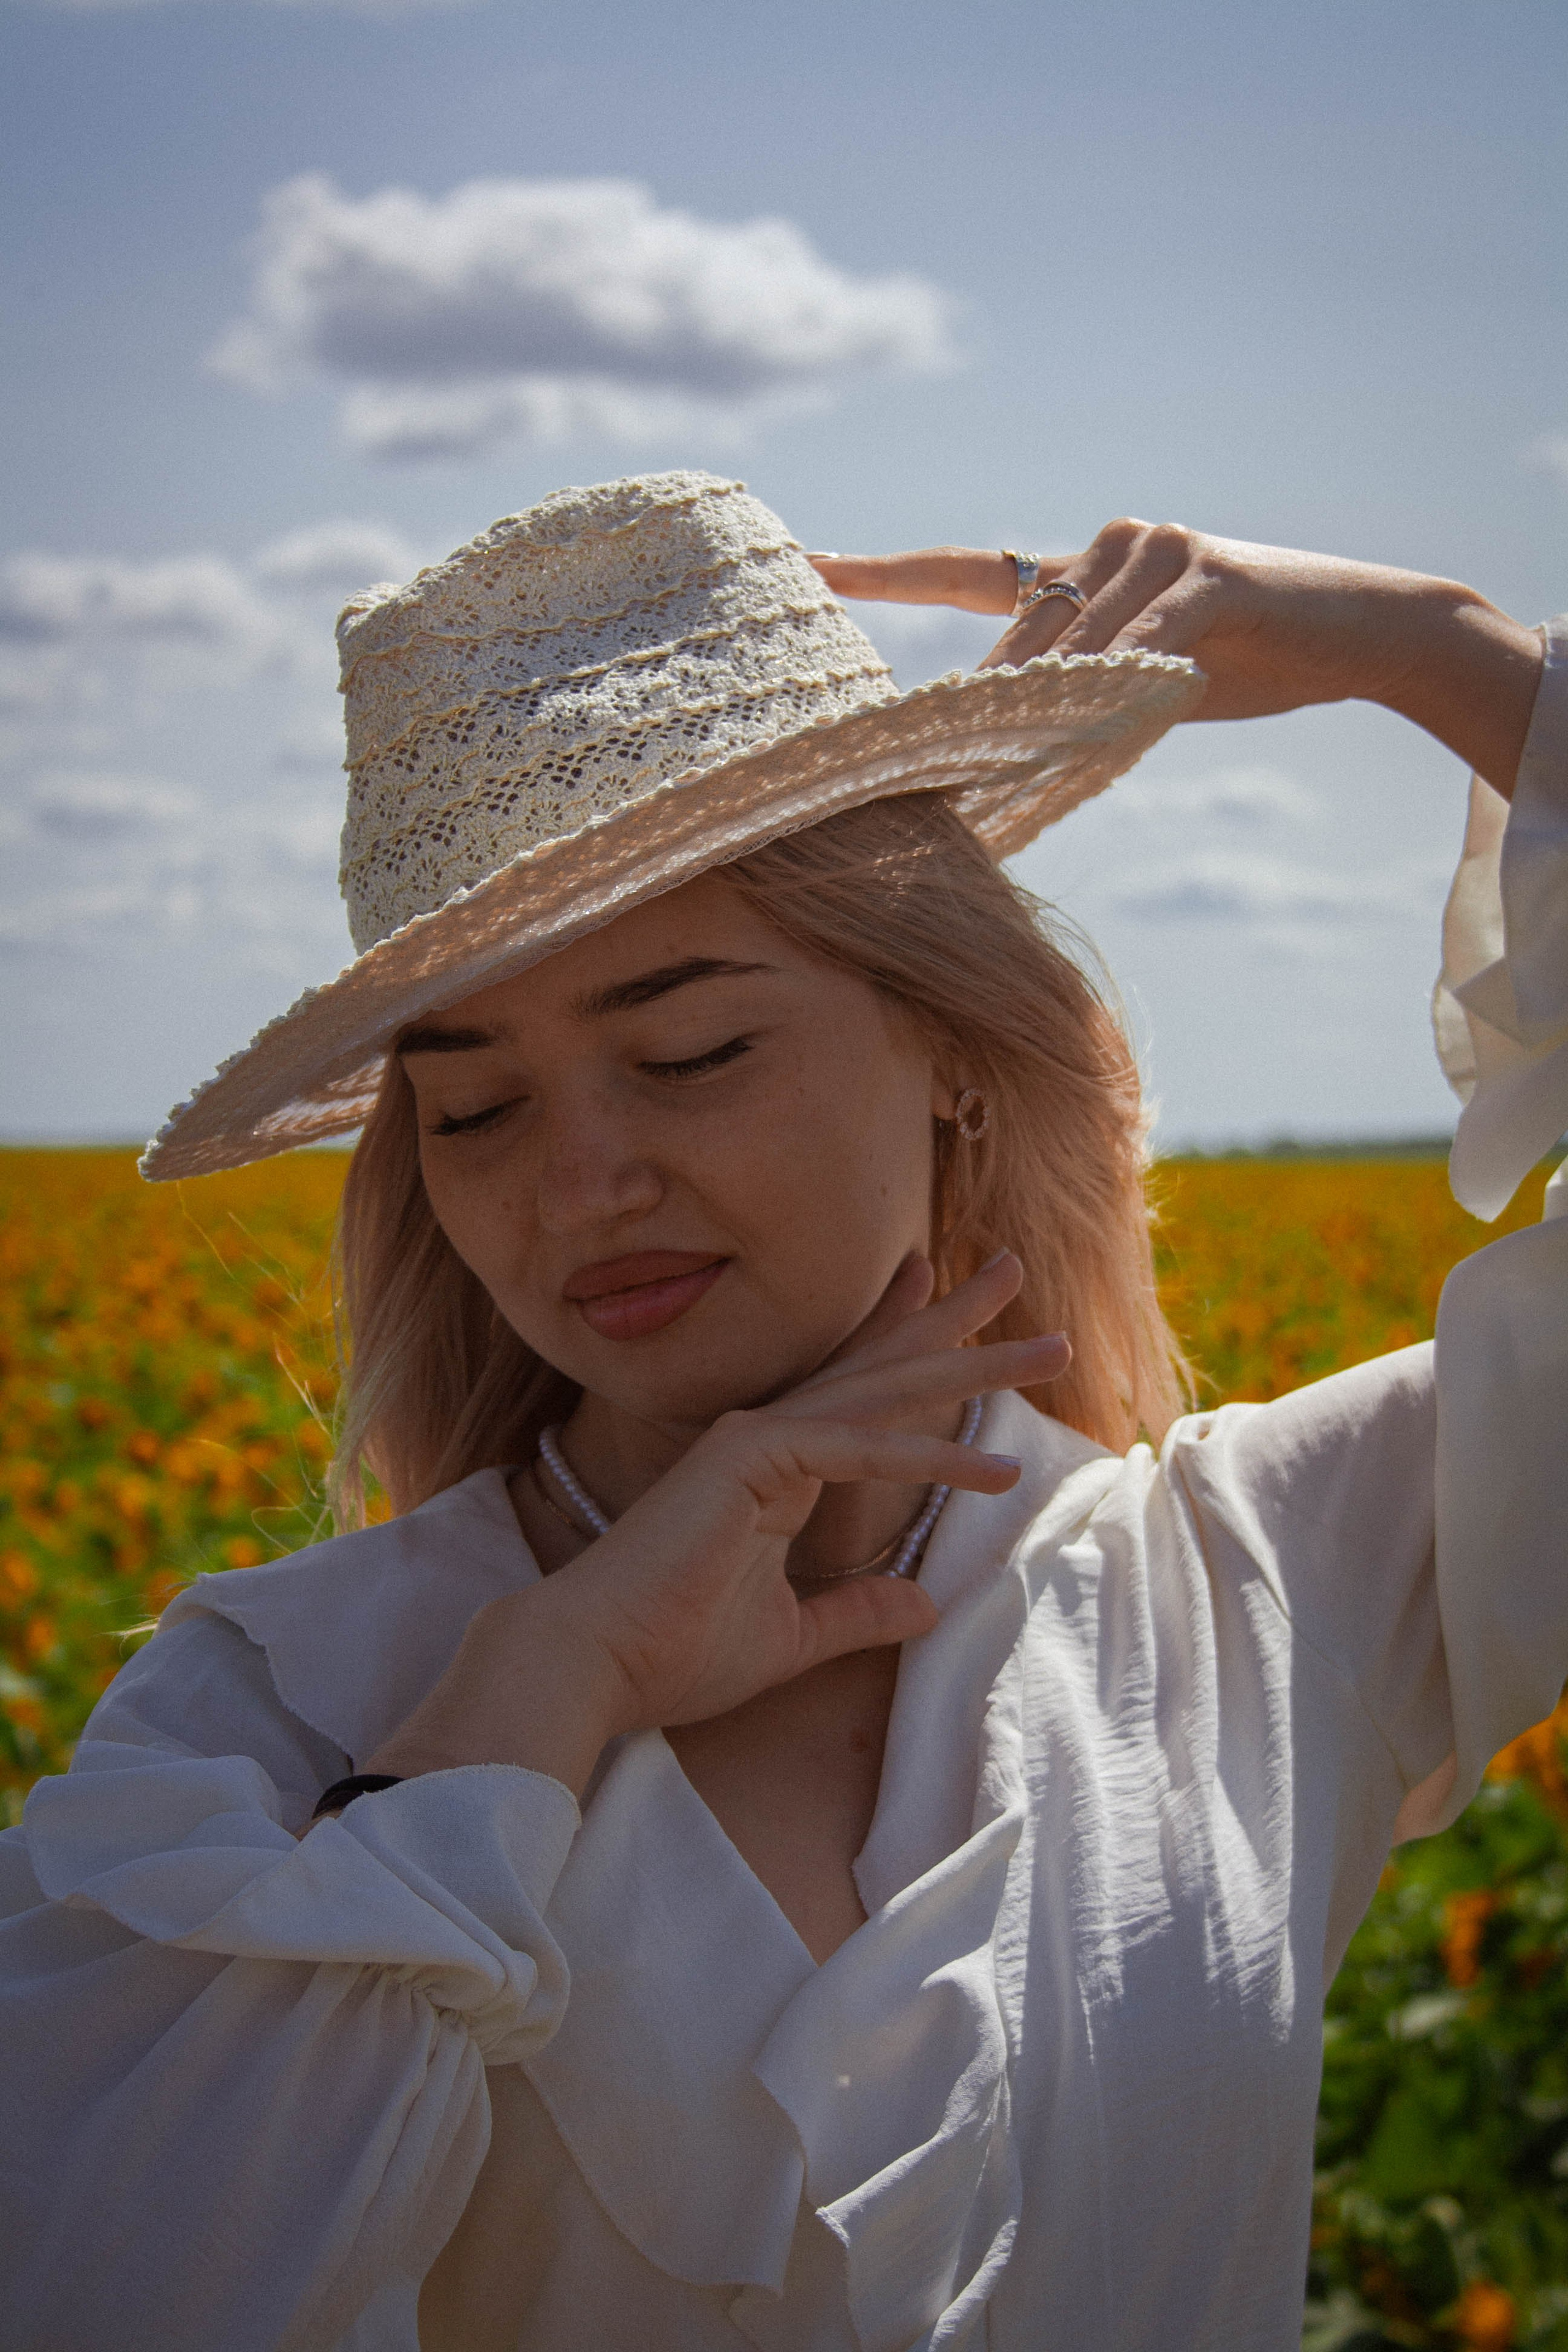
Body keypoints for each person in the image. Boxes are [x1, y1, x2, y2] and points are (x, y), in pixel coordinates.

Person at [1, 470, 1563, 2352]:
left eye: (691, 1051)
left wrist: (1442, 652)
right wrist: (546, 1688)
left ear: (956, 1062)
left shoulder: (1261, 1586)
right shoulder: (269, 1703)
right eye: (471, 1105)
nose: (576, 1186)